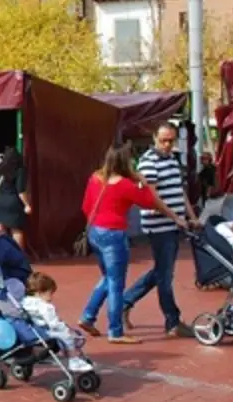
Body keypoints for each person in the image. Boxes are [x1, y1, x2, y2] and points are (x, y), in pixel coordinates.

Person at [77, 145, 186, 344]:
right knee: (116, 284)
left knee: (107, 277)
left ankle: (88, 315)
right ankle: (115, 331)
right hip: (114, 234)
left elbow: (86, 206)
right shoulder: (125, 184)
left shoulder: (95, 178)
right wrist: (142, 182)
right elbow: (148, 201)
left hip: (94, 231)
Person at [123, 123, 198, 338]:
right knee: (165, 275)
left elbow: (179, 191)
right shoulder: (148, 161)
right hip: (158, 226)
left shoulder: (173, 160)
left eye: (171, 140)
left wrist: (191, 216)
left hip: (174, 224)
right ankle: (172, 321)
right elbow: (152, 197)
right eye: (163, 140)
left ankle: (125, 302)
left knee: (161, 271)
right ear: (155, 137)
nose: (167, 145)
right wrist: (175, 217)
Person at [21, 272, 94, 373]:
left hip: (36, 330)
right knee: (68, 336)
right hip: (46, 331)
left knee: (67, 335)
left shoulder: (25, 302)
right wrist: (66, 328)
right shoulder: (46, 307)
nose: (51, 297)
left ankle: (70, 353)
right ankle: (74, 360)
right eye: (50, 293)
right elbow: (54, 324)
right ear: (39, 293)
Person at [0, 146, 31, 251]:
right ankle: (18, 257)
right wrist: (27, 205)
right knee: (16, 230)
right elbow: (21, 190)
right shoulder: (20, 170)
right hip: (13, 202)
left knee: (0, 230)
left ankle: (0, 255)